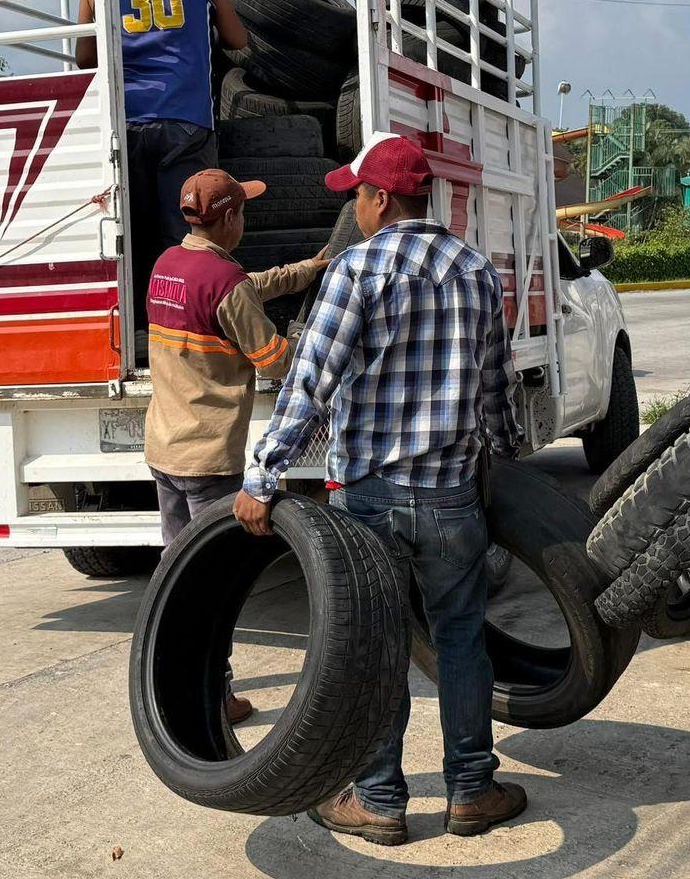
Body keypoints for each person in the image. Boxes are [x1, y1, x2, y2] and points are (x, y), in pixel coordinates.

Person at [235, 132, 527, 847]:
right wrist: (508, 457)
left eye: (357, 196)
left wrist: (263, 475)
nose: (355, 209)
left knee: (379, 646)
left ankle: (379, 801)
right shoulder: (476, 271)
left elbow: (311, 383)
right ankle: (471, 790)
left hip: (369, 497)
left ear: (381, 199)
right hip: (451, 495)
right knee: (461, 640)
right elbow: (497, 388)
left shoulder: (357, 270)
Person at [144, 167, 328, 723]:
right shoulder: (225, 283)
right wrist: (310, 341)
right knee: (212, 585)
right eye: (243, 210)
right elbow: (271, 359)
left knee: (177, 574)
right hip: (208, 456)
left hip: (165, 450)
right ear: (228, 218)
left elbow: (245, 288)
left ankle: (171, 684)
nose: (245, 219)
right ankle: (214, 697)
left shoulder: (168, 265)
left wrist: (307, 270)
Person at [76, 0, 248, 343]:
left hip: (124, 123)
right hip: (186, 119)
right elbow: (237, 39)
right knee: (191, 231)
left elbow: (84, 59)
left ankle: (137, 331)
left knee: (131, 232)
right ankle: (190, 334)